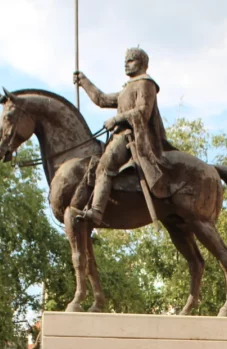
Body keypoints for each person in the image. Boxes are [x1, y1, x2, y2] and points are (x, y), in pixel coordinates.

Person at [72, 47, 170, 226]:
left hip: (133, 137)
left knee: (104, 166)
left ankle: (96, 212)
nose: (126, 64)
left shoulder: (146, 83)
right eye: (126, 60)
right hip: (120, 136)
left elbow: (143, 111)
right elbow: (101, 99)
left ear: (142, 63)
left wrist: (117, 118)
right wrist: (84, 81)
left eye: (131, 60)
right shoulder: (127, 89)